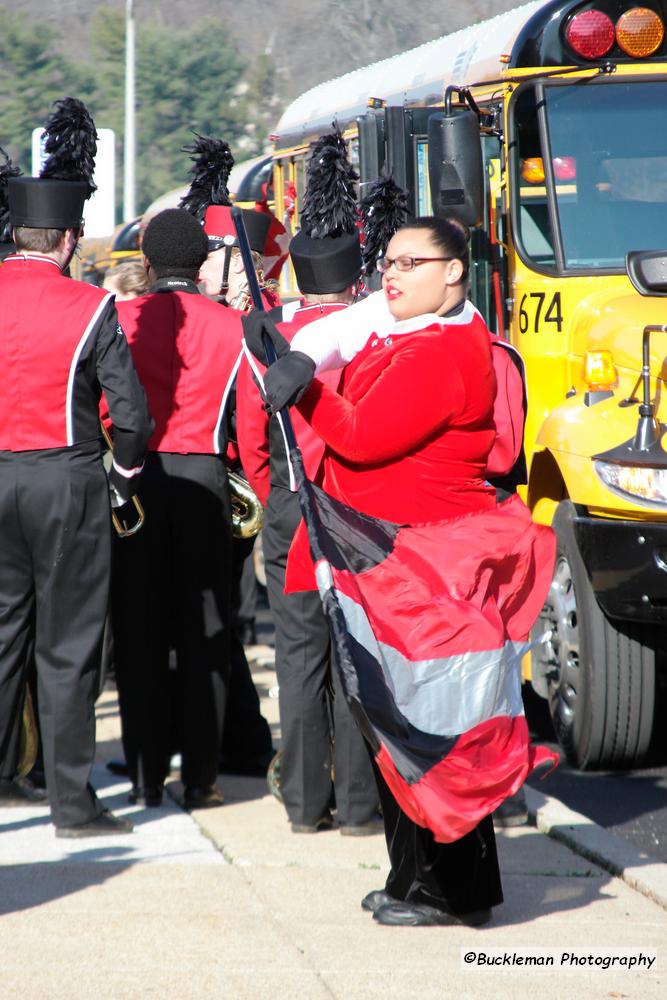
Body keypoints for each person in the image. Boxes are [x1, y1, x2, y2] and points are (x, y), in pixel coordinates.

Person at [245, 215, 547, 925]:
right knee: (395, 727)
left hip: (423, 566)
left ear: (453, 271)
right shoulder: (418, 324)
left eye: (411, 262)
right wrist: (292, 354)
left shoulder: (442, 350)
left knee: (430, 728)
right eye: (388, 260)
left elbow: (360, 439)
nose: (393, 272)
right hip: (390, 558)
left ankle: (447, 892)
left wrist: (301, 387)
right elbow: (345, 327)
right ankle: (413, 879)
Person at [0, 98, 152, 836]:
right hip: (66, 478)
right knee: (68, 646)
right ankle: (70, 802)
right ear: (65, 239)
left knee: (2, 635)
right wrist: (122, 477)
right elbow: (132, 414)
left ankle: (5, 779)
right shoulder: (92, 307)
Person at [237, 128, 380, 834]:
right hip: (361, 507)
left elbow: (247, 434)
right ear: (356, 278)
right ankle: (358, 806)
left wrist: (273, 496)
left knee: (298, 655)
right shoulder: (376, 330)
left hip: (291, 500)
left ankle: (302, 803)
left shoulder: (263, 333)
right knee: (358, 652)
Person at [110, 208, 246, 810]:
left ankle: (143, 774)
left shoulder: (119, 317)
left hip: (136, 478)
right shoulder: (235, 327)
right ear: (202, 264)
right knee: (206, 634)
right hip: (205, 476)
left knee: (139, 631)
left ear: (145, 260)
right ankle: (200, 778)